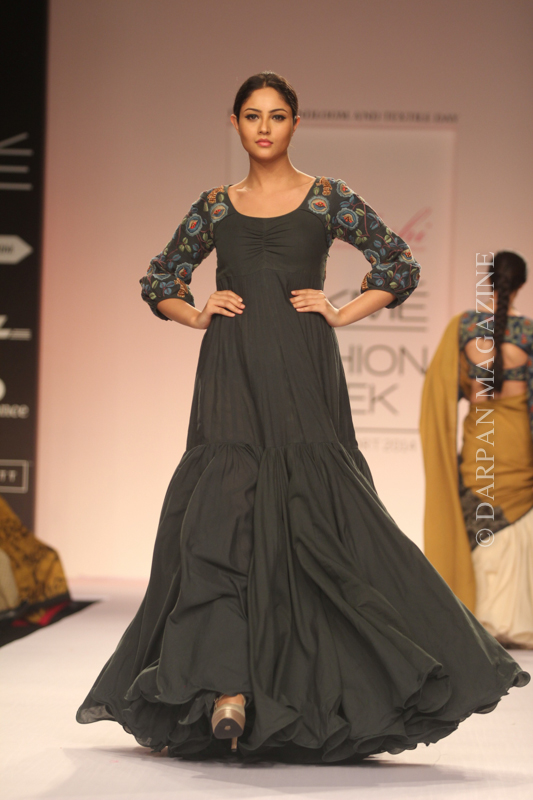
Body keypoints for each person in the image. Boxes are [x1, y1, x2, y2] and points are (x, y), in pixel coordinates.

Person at [76, 73, 530, 763]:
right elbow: (159, 278)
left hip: (302, 368)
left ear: (295, 123)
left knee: (312, 521)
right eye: (252, 116)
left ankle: (310, 687)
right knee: (218, 522)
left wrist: (341, 311)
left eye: (277, 115)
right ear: (234, 123)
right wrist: (196, 314)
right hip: (230, 370)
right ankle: (226, 689)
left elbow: (397, 265)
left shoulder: (328, 198)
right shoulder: (214, 207)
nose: (264, 127)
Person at [420, 251, 533, 649]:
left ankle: (476, 618)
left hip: (481, 441)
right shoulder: (529, 333)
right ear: (521, 284)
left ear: (489, 281)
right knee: (517, 523)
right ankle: (515, 621)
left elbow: (442, 392)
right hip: (518, 445)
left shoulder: (465, 328)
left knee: (478, 515)